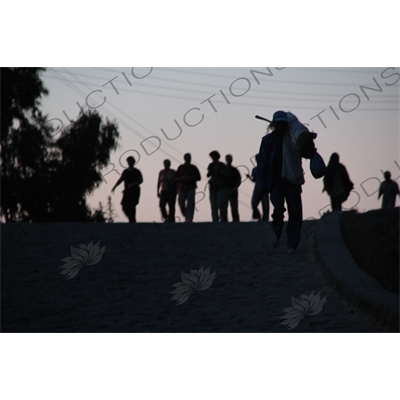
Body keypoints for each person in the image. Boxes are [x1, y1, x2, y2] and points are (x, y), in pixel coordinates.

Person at [256, 111, 306, 254]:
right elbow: (262, 164)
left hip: (292, 182)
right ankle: (277, 232)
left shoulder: (293, 139)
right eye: (278, 124)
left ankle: (292, 243)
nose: (280, 127)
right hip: (275, 182)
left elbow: (304, 150)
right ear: (274, 124)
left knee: (295, 213)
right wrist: (261, 184)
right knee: (278, 209)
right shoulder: (267, 141)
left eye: (283, 124)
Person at [111, 156, 143, 223]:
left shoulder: (137, 171)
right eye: (128, 162)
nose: (129, 163)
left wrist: (132, 184)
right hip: (127, 191)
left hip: (134, 191)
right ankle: (131, 219)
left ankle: (132, 220)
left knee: (132, 206)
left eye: (130, 162)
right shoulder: (125, 171)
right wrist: (114, 187)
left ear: (133, 162)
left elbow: (141, 180)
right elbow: (121, 179)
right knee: (124, 206)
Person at [175, 153, 202, 222]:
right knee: (181, 203)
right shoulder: (180, 167)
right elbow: (175, 178)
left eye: (189, 158)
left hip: (191, 188)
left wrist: (191, 178)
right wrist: (182, 178)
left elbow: (199, 178)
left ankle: (189, 219)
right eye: (187, 158)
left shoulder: (193, 167)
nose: (188, 159)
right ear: (184, 159)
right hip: (181, 188)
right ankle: (186, 215)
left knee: (190, 204)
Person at [207, 151, 230, 222]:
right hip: (213, 186)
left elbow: (228, 175)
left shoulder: (222, 165)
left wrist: (222, 173)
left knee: (220, 204)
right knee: (214, 205)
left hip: (221, 187)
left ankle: (223, 218)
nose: (213, 158)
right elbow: (208, 175)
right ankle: (215, 219)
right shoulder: (211, 165)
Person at [247, 154, 269, 221]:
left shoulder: (266, 169)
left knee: (265, 206)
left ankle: (265, 219)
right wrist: (249, 177)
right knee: (253, 203)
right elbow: (254, 180)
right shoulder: (254, 170)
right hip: (257, 189)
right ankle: (258, 217)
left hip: (264, 189)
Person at [225, 154, 242, 222]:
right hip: (225, 190)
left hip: (233, 189)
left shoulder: (234, 170)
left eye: (229, 159)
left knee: (234, 207)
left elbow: (239, 180)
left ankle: (235, 220)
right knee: (224, 206)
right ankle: (224, 220)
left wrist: (235, 188)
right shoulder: (224, 169)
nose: (229, 161)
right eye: (228, 159)